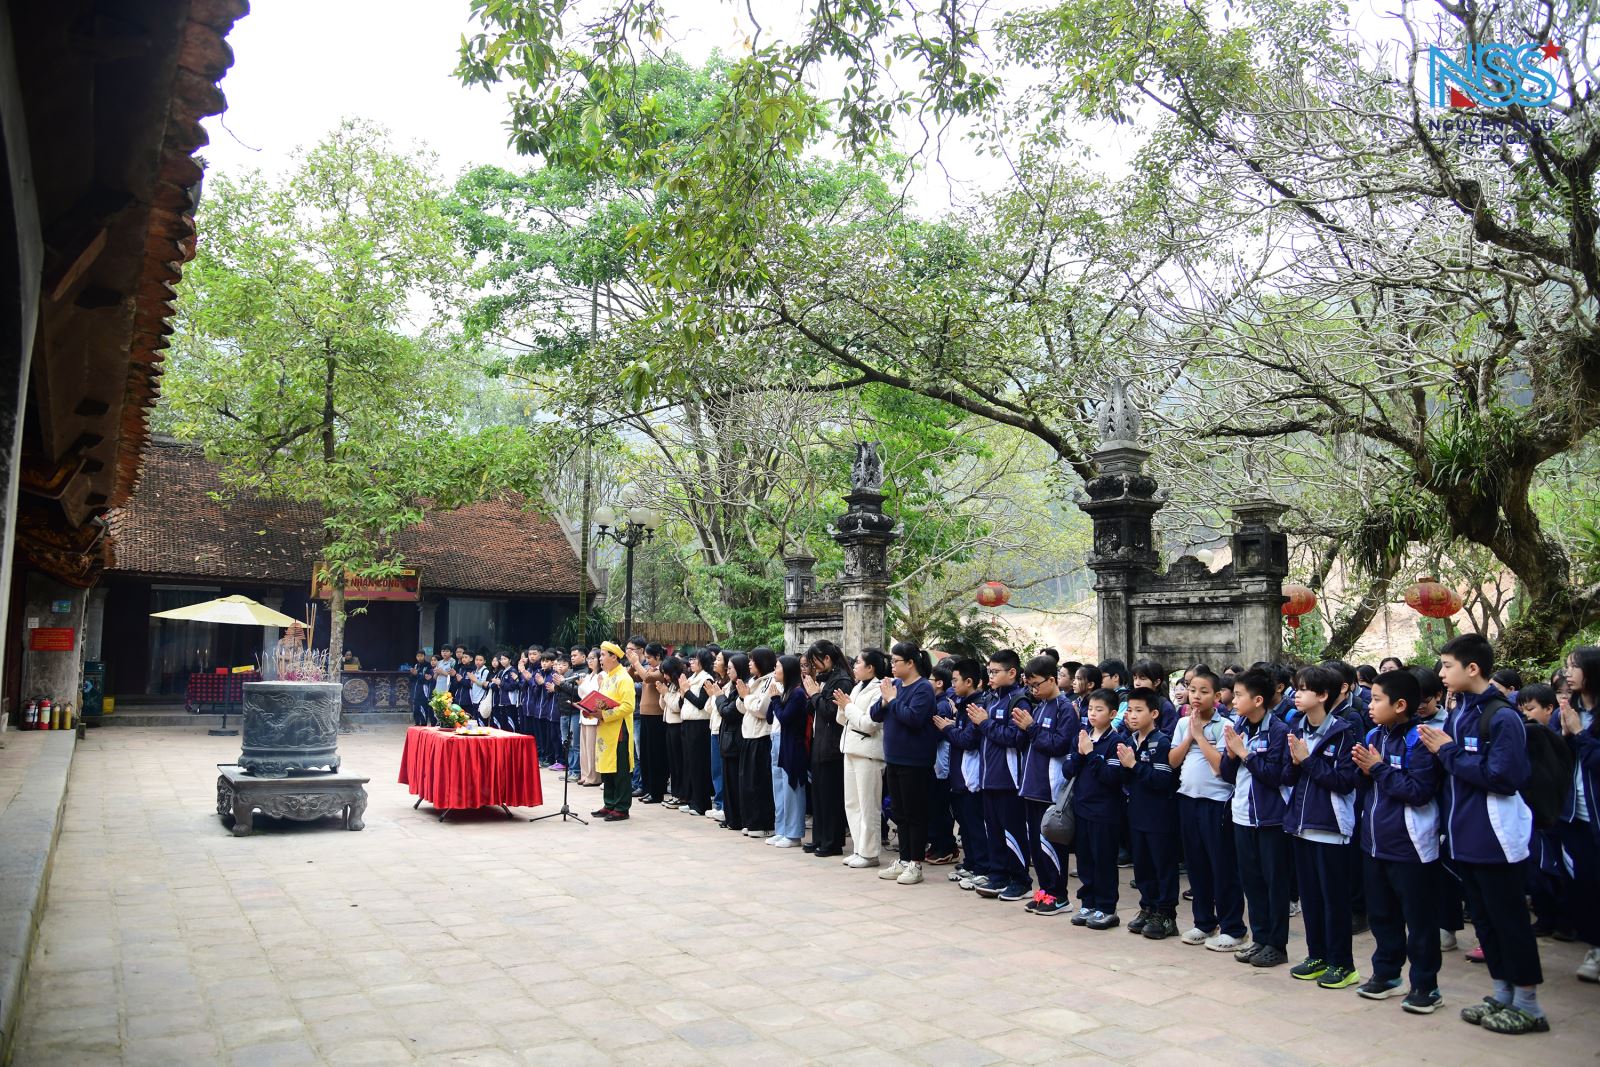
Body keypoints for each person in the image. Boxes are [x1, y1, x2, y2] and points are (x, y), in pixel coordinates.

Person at [1421, 633, 1546, 1034]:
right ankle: (1501, 992)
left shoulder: (1503, 717)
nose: (1441, 674)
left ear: (1472, 668)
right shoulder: (1460, 714)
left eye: (1447, 666)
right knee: (1486, 922)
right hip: (1465, 837)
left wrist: (1447, 752)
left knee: (1509, 920)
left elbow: (1502, 778)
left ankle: (1529, 1005)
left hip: (1496, 837)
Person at [1352, 669, 1444, 1013]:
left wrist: (1376, 768)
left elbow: (1419, 792)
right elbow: (1367, 787)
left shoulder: (1420, 740)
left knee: (1419, 920)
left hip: (1412, 847)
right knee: (1381, 915)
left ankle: (1425, 985)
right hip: (1374, 843)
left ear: (1401, 704)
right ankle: (1386, 974)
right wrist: (1365, 772)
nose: (1371, 706)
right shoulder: (1376, 734)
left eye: (1377, 699)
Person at [1284, 664, 1361, 989]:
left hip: (1331, 827)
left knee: (1334, 899)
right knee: (1312, 897)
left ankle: (1343, 964)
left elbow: (1344, 782)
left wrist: (1307, 760)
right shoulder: (1296, 727)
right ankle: (1317, 956)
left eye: (1302, 689)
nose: (1296, 695)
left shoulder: (1343, 732)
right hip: (1301, 824)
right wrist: (1294, 760)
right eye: (1295, 688)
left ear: (1324, 695)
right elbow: (1289, 777)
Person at [1221, 667, 1293, 968]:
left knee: (1274, 884)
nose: (1233, 701)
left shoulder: (1278, 731)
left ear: (1259, 699)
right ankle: (1260, 938)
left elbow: (1277, 776)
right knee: (1252, 882)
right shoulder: (1239, 726)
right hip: (1242, 816)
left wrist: (1246, 754)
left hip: (1270, 820)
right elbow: (1226, 774)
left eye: (1238, 695)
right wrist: (1232, 753)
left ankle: (1277, 945)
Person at [1169, 667, 1246, 951]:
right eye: (1192, 690)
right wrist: (1190, 735)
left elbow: (1222, 769)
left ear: (1217, 696)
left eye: (1203, 691)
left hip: (1217, 803)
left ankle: (1233, 928)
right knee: (1196, 866)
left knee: (1222, 866)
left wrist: (1200, 736)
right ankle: (1204, 922)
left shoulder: (1226, 726)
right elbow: (1174, 761)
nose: (1196, 696)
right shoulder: (1181, 724)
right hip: (1187, 799)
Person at [1014, 655, 1078, 915]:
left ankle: (1059, 895)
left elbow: (1059, 745)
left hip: (1051, 789)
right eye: (1029, 686)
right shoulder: (1038, 707)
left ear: (1052, 680)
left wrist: (1031, 728)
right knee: (1035, 846)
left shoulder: (1065, 709)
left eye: (1037, 684)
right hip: (1031, 786)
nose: (1033, 690)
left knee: (1051, 844)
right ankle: (1044, 891)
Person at [873, 641, 938, 884]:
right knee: (899, 813)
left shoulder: (923, 689)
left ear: (910, 663)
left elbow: (913, 718)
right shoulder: (896, 685)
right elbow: (874, 714)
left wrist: (892, 700)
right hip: (893, 757)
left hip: (915, 760)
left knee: (914, 813)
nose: (892, 665)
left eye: (896, 661)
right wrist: (885, 699)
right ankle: (903, 859)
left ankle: (916, 863)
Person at [969, 649, 1031, 901]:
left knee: (1012, 832)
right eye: (989, 671)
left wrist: (985, 723)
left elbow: (1016, 739)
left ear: (1012, 672)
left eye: (995, 672)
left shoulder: (1019, 701)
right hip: (988, 778)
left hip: (1009, 780)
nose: (990, 676)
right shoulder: (991, 699)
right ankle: (998, 876)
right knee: (992, 830)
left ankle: (1020, 880)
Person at [1119, 687, 1180, 940]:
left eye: (1138, 710)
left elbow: (1162, 779)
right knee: (1142, 865)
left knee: (1162, 865)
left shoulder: (1161, 741)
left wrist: (1134, 765)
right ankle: (1148, 907)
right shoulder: (1132, 740)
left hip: (1159, 816)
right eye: (1129, 710)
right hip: (1137, 814)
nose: (1132, 716)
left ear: (1154, 713)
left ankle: (1166, 914)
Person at [1556, 646, 1600, 982]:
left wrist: (1581, 734)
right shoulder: (1570, 711)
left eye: (1575, 666)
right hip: (1575, 814)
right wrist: (1568, 734)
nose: (1568, 672)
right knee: (1583, 883)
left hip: (1596, 813)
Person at [1071, 688, 1127, 929]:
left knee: (1103, 859)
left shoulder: (1116, 741)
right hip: (1082, 808)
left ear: (1112, 713)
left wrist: (1091, 754)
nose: (1093, 714)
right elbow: (1068, 770)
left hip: (1105, 812)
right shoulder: (1084, 736)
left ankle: (1106, 907)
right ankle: (1088, 902)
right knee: (1085, 859)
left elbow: (1111, 777)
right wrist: (1081, 754)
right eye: (1090, 709)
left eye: (1099, 710)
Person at [933, 658, 990, 886]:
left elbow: (968, 740)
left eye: (956, 680)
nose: (952, 685)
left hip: (970, 776)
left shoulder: (976, 705)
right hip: (958, 775)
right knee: (964, 822)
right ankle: (971, 862)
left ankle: (982, 866)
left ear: (970, 681)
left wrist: (947, 728)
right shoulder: (962, 702)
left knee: (974, 822)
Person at [836, 649, 888, 869]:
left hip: (868, 752)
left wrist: (848, 707)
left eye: (858, 662)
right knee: (852, 803)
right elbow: (844, 720)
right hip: (850, 749)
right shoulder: (857, 686)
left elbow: (869, 723)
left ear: (870, 668)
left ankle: (870, 852)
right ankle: (859, 848)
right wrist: (843, 707)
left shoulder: (879, 690)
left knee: (868, 805)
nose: (854, 666)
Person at [803, 641, 851, 858]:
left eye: (815, 662)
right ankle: (820, 838)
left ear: (828, 659)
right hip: (820, 742)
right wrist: (814, 692)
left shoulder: (841, 680)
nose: (814, 666)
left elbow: (831, 712)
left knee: (831, 796)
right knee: (819, 794)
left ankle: (832, 842)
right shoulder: (826, 679)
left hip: (832, 745)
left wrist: (814, 694)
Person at [592, 641, 637, 821]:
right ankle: (609, 803)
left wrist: (605, 714)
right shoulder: (608, 677)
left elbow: (628, 706)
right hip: (605, 729)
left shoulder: (624, 678)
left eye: (603, 655)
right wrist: (591, 712)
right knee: (607, 768)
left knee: (620, 770)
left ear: (613, 657)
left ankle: (622, 807)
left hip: (619, 730)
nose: (600, 658)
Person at [737, 647, 778, 839]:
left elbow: (762, 709)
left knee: (759, 783)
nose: (749, 663)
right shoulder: (752, 681)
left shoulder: (771, 680)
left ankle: (764, 823)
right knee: (747, 782)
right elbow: (742, 707)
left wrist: (747, 698)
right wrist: (744, 698)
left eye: (753, 660)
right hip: (748, 735)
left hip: (762, 736)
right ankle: (750, 821)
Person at [769, 653, 810, 848]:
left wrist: (776, 699)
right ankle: (782, 829)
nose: (775, 670)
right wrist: (774, 697)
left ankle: (794, 833)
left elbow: (785, 718)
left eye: (777, 667)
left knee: (792, 787)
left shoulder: (797, 693)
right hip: (777, 740)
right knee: (779, 788)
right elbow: (772, 717)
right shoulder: (784, 691)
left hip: (793, 745)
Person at [677, 649, 716, 817]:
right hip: (687, 722)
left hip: (700, 725)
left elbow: (701, 703)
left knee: (698, 764)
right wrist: (682, 691)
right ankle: (692, 799)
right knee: (689, 763)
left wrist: (685, 691)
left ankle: (701, 802)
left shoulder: (706, 678)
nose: (691, 662)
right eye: (691, 659)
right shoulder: (691, 678)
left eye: (695, 659)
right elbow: (682, 701)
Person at [714, 652, 750, 832]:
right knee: (728, 780)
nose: (728, 672)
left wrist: (719, 697)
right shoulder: (734, 688)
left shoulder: (743, 688)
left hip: (737, 740)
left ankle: (737, 818)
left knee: (736, 781)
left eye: (731, 668)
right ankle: (730, 816)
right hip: (728, 738)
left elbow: (728, 712)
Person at [628, 640, 668, 804]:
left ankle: (657, 792)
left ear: (658, 656)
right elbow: (631, 676)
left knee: (655, 756)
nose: (648, 660)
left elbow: (647, 677)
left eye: (649, 658)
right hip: (645, 715)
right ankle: (648, 788)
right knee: (645, 755)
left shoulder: (662, 670)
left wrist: (636, 662)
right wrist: (633, 663)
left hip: (657, 716)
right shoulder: (649, 668)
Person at [658, 654, 687, 808]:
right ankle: (675, 794)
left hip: (678, 725)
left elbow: (676, 706)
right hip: (669, 724)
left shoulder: (681, 683)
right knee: (672, 762)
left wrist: (665, 693)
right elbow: (664, 706)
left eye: (666, 673)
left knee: (678, 762)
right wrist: (664, 693)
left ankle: (680, 795)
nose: (665, 676)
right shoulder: (670, 685)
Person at [575, 649, 602, 786]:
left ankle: (593, 777)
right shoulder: (589, 675)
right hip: (584, 713)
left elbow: (595, 694)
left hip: (594, 714)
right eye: (589, 658)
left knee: (592, 748)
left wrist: (582, 687)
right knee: (584, 747)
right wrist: (581, 686)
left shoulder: (601, 675)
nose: (589, 661)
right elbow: (582, 694)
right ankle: (585, 774)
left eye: (593, 658)